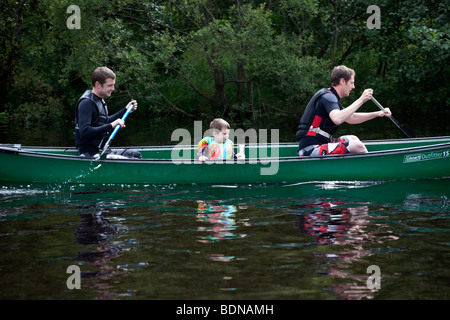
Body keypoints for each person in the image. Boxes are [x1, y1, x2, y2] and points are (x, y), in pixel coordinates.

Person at [296, 65, 392, 156]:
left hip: (322, 143)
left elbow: (351, 118)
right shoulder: (328, 97)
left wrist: (378, 113)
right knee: (357, 145)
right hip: (310, 149)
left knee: (353, 138)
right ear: (342, 81)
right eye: (351, 83)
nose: (353, 87)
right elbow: (337, 119)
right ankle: (373, 168)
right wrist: (361, 100)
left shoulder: (332, 98)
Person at [75, 66, 142, 159]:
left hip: (102, 150)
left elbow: (105, 121)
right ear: (98, 84)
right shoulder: (86, 103)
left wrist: (125, 111)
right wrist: (111, 125)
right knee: (132, 160)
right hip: (90, 153)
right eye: (110, 85)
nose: (113, 88)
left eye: (113, 85)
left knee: (136, 155)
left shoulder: (99, 100)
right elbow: (84, 132)